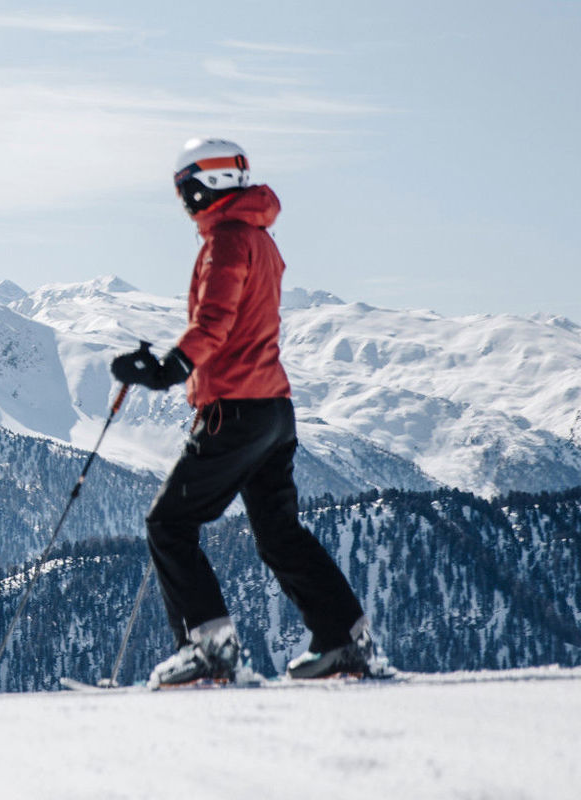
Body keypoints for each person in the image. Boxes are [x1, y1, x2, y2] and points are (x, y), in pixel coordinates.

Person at [110, 138, 392, 686]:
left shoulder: (228, 241)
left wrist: (167, 371)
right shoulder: (260, 238)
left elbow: (215, 320)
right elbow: (239, 322)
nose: (182, 201)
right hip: (273, 410)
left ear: (202, 185)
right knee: (278, 532)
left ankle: (209, 649)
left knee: (169, 523)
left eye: (183, 189)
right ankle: (343, 639)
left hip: (234, 409)